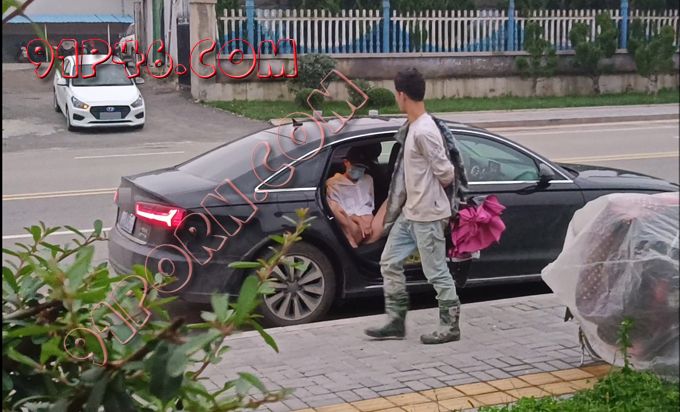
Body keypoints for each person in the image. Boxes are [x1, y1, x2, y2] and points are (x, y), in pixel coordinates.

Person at [365, 68, 460, 345]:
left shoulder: (425, 131)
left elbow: (446, 173)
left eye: (396, 94)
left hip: (428, 214)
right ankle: (396, 321)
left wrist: (429, 195)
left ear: (402, 95)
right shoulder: (414, 127)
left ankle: (450, 325)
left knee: (436, 271)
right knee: (389, 261)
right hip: (411, 213)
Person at [326, 146, 387, 248]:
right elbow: (340, 212)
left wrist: (368, 222)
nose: (358, 170)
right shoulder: (333, 183)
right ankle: (350, 239)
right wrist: (359, 220)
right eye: (356, 166)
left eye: (361, 168)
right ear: (346, 162)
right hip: (352, 228)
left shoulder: (368, 179)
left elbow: (370, 205)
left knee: (392, 200)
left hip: (371, 227)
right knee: (333, 206)